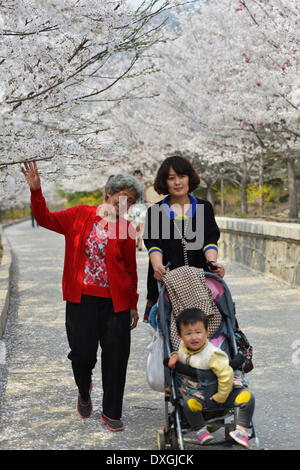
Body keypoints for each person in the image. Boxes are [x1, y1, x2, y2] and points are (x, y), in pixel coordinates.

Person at [21, 159, 141, 432]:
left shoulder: (126, 228)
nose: (126, 204)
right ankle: (84, 388)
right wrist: (36, 191)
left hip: (116, 303)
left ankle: (111, 412)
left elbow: (131, 271)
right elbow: (45, 219)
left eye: (131, 201)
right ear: (108, 194)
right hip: (82, 299)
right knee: (82, 354)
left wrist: (133, 304)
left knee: (116, 356)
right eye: (122, 197)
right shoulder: (80, 215)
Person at [143, 155, 225, 319]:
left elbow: (210, 239)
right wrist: (158, 267)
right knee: (170, 334)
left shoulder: (204, 208)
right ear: (165, 182)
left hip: (200, 280)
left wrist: (213, 263)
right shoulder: (156, 212)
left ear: (189, 178)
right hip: (168, 281)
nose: (177, 182)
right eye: (171, 178)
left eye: (182, 176)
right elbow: (154, 244)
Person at [168, 309, 255, 448]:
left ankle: (242, 430)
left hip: (225, 393)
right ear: (180, 337)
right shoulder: (183, 348)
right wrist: (174, 356)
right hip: (199, 394)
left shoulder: (213, 354)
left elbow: (226, 375)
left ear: (207, 333)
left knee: (247, 398)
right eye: (188, 333)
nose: (194, 337)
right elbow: (182, 353)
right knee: (188, 404)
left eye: (198, 332)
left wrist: (221, 396)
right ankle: (201, 430)